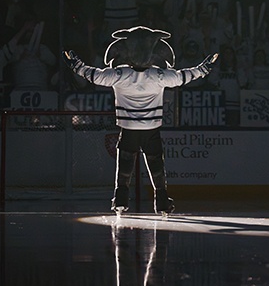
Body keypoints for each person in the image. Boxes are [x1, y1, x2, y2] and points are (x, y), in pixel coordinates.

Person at [63, 25, 218, 215]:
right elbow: (184, 77)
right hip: (151, 130)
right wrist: (205, 67)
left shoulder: (119, 75)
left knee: (124, 168)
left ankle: (120, 202)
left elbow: (93, 75)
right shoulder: (158, 76)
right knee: (157, 168)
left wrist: (76, 64)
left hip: (128, 129)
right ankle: (161, 202)